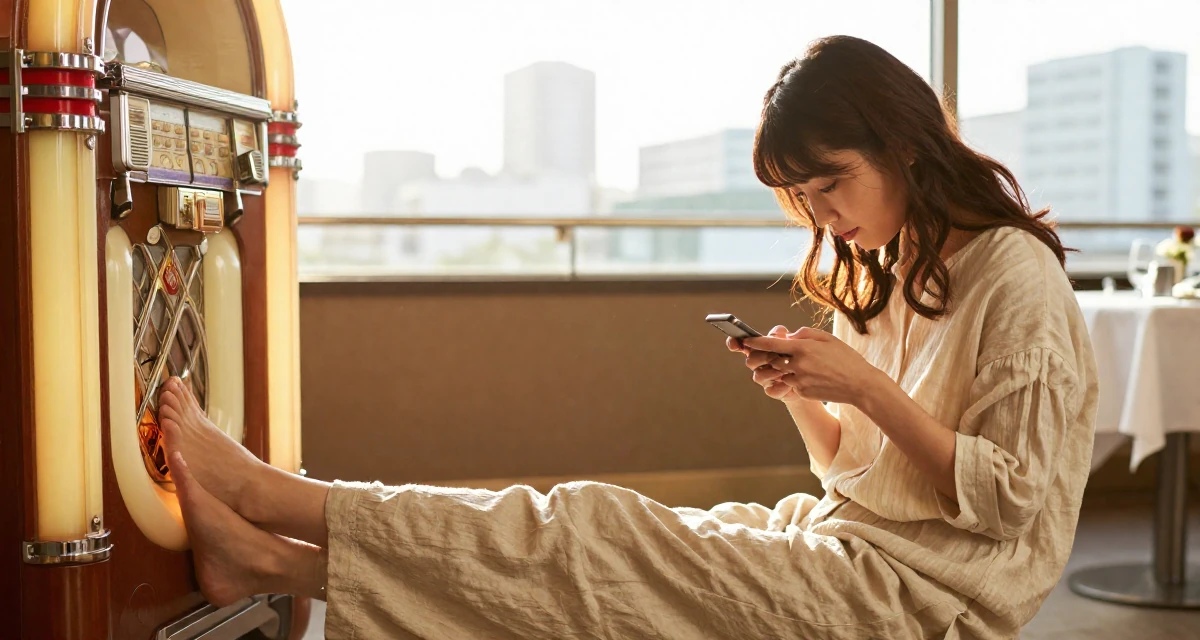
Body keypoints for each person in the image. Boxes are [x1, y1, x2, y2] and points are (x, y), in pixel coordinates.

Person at [158, 35, 1097, 639]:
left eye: (829, 185)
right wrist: (811, 401)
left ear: (902, 143)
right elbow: (860, 475)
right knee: (582, 554)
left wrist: (865, 387)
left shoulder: (1014, 273)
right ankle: (275, 559)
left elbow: (1009, 505)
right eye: (802, 199)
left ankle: (275, 498)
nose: (822, 217)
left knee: (587, 535)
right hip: (846, 540)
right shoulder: (893, 268)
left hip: (923, 601)